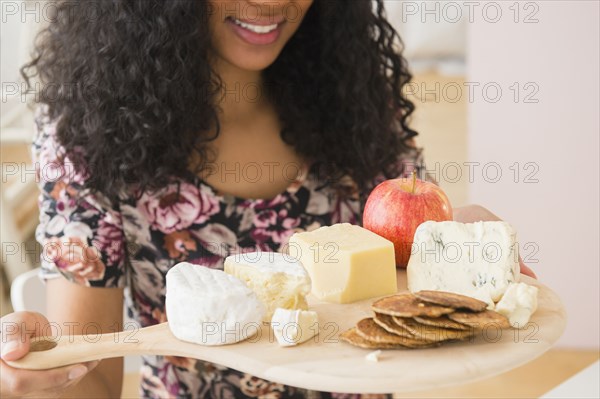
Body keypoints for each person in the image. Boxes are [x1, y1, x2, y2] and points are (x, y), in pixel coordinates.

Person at [0, 1, 536, 398]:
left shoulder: (356, 99)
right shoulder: (88, 135)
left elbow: (408, 257)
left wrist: (457, 238)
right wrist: (35, 376)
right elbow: (92, 376)